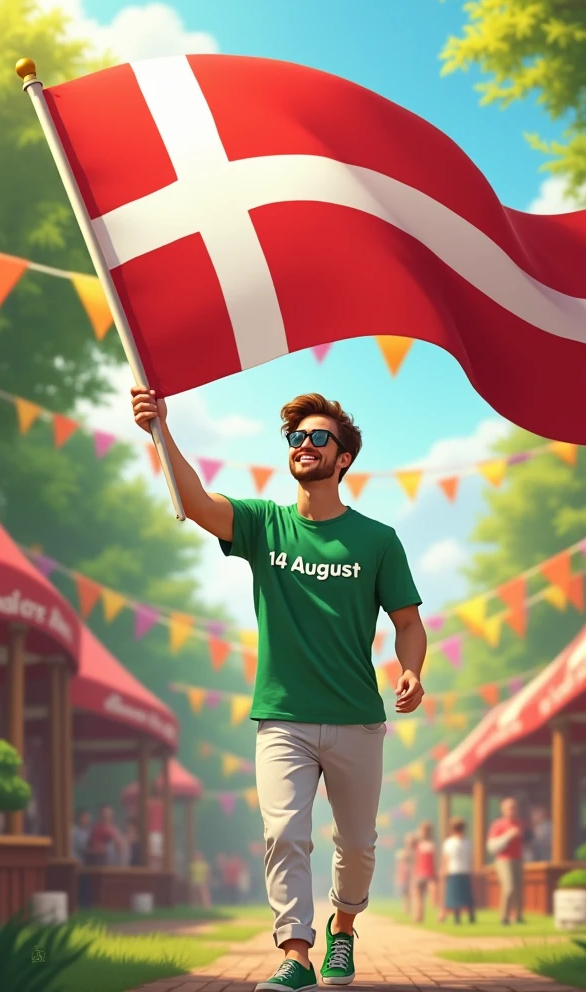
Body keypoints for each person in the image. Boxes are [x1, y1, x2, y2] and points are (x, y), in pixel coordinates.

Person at [132, 389, 425, 992]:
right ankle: (296, 953)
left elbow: (408, 622)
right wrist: (159, 430)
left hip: (356, 719)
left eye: (319, 438)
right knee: (283, 834)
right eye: (296, 439)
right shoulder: (264, 524)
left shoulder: (377, 540)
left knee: (358, 845)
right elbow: (192, 502)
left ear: (343, 459)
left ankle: (343, 928)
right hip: (282, 717)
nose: (305, 447)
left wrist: (413, 669)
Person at [486, 797, 525, 925]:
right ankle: (504, 917)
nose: (512, 810)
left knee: (518, 888)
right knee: (509, 888)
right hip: (503, 860)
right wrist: (508, 836)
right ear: (503, 809)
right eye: (509, 808)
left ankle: (518, 916)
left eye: (514, 807)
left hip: (518, 859)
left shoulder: (519, 823)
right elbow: (491, 846)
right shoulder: (498, 825)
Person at [440, 817, 474, 924]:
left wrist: (444, 869)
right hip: (461, 871)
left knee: (457, 896)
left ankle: (459, 917)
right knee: (463, 895)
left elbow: (445, 858)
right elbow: (470, 858)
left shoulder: (449, 843)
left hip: (456, 871)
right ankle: (468, 916)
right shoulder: (467, 842)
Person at [411, 821, 438, 923]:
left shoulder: (432, 844)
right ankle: (418, 916)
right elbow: (410, 840)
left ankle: (437, 916)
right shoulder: (417, 843)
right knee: (418, 897)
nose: (424, 833)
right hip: (419, 873)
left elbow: (436, 859)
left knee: (434, 897)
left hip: (430, 873)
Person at [394, 833, 417, 914]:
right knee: (405, 894)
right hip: (404, 876)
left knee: (413, 894)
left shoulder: (415, 852)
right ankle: (405, 910)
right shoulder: (401, 852)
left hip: (413, 876)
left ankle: (413, 911)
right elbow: (398, 866)